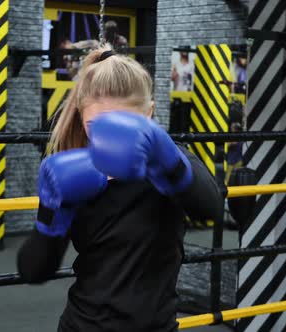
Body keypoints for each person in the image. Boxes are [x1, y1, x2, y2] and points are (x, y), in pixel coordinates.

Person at [16, 46, 224, 332]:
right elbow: (34, 269)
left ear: (149, 114)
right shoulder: (70, 173)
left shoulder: (172, 161)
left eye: (124, 126)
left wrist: (168, 162)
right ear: (80, 116)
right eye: (96, 126)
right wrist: (52, 213)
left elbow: (210, 207)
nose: (109, 138)